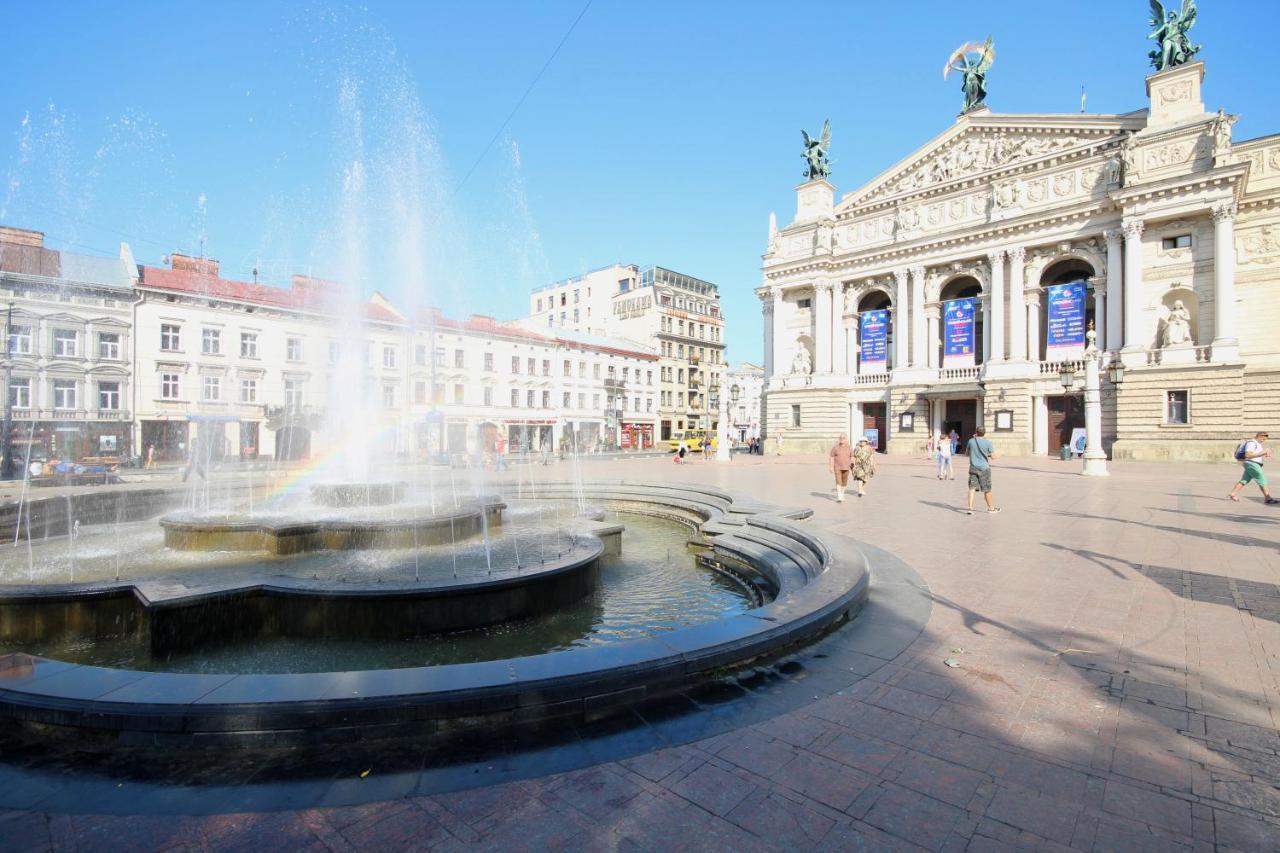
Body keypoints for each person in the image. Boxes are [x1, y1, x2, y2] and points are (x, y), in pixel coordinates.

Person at [1228, 432, 1277, 504]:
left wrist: (1264, 453)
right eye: (1263, 439)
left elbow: (1255, 454)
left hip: (1250, 463)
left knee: (1244, 480)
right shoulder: (1252, 443)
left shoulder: (1256, 444)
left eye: (1265, 439)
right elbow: (1248, 455)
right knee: (1262, 479)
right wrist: (1263, 452)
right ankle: (1268, 498)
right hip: (1252, 463)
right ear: (1259, 436)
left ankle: (1232, 494)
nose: (1263, 441)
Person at [964, 427, 1000, 515]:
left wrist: (974, 439)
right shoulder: (988, 442)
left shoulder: (971, 441)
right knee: (987, 489)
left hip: (973, 468)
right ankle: (991, 508)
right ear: (985, 433)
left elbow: (966, 454)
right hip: (984, 468)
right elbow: (993, 457)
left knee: (972, 488)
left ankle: (970, 508)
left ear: (976, 432)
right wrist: (999, 454)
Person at [829, 433, 853, 502]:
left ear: (846, 439)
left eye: (843, 438)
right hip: (837, 467)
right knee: (838, 481)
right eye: (840, 438)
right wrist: (831, 466)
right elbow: (831, 457)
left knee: (844, 482)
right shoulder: (835, 448)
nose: (842, 439)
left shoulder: (849, 448)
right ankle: (839, 496)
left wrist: (853, 463)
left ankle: (842, 493)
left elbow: (852, 456)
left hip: (846, 467)